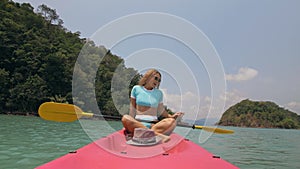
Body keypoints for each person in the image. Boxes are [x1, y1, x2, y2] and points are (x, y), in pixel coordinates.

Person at [122, 69, 184, 143]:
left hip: (154, 125)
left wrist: (172, 116)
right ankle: (157, 135)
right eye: (156, 78)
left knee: (172, 122)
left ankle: (143, 133)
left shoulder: (159, 93)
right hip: (138, 123)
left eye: (159, 80)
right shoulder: (136, 89)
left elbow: (162, 111)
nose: (157, 81)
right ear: (148, 77)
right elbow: (132, 109)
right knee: (125, 118)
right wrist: (129, 123)